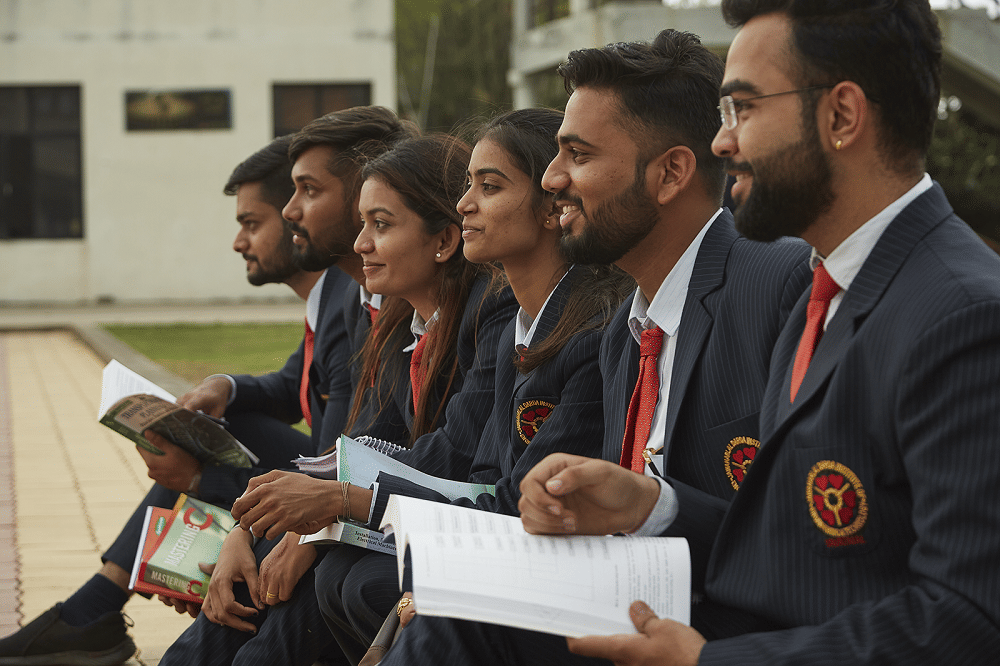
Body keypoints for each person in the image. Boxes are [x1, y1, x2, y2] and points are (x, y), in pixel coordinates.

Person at [519, 2, 1000, 665]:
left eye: (742, 109)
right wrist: (652, 504)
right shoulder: (826, 293)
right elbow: (797, 556)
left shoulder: (964, 315)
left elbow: (970, 621)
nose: (722, 141)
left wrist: (706, 663)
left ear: (841, 116)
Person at [378, 29, 811, 665]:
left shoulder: (777, 285)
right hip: (637, 599)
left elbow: (809, 537)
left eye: (577, 154)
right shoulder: (626, 330)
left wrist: (652, 509)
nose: (553, 179)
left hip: (735, 632)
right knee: (445, 608)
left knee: (447, 623)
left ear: (670, 173)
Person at [159, 133, 518, 665]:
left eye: (380, 223)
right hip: (398, 515)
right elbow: (365, 438)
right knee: (275, 560)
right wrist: (246, 527)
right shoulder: (399, 318)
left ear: (443, 240)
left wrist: (320, 521)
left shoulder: (492, 312)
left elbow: (453, 458)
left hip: (452, 527)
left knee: (333, 574)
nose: (360, 242)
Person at [0, 133, 358, 664]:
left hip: (344, 495)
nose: (240, 242)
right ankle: (95, 609)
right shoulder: (332, 300)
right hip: (334, 480)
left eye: (251, 224)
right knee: (224, 416)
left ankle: (95, 609)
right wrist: (224, 386)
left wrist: (200, 484)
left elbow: (338, 463)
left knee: (226, 436)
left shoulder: (352, 297)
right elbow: (292, 384)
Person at [314, 107, 635, 659]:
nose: (465, 204)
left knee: (367, 582)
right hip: (505, 540)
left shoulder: (589, 333)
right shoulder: (519, 324)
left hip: (568, 570)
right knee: (339, 574)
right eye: (468, 186)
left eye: (489, 187)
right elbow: (482, 474)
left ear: (550, 208)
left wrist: (354, 502)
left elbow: (513, 503)